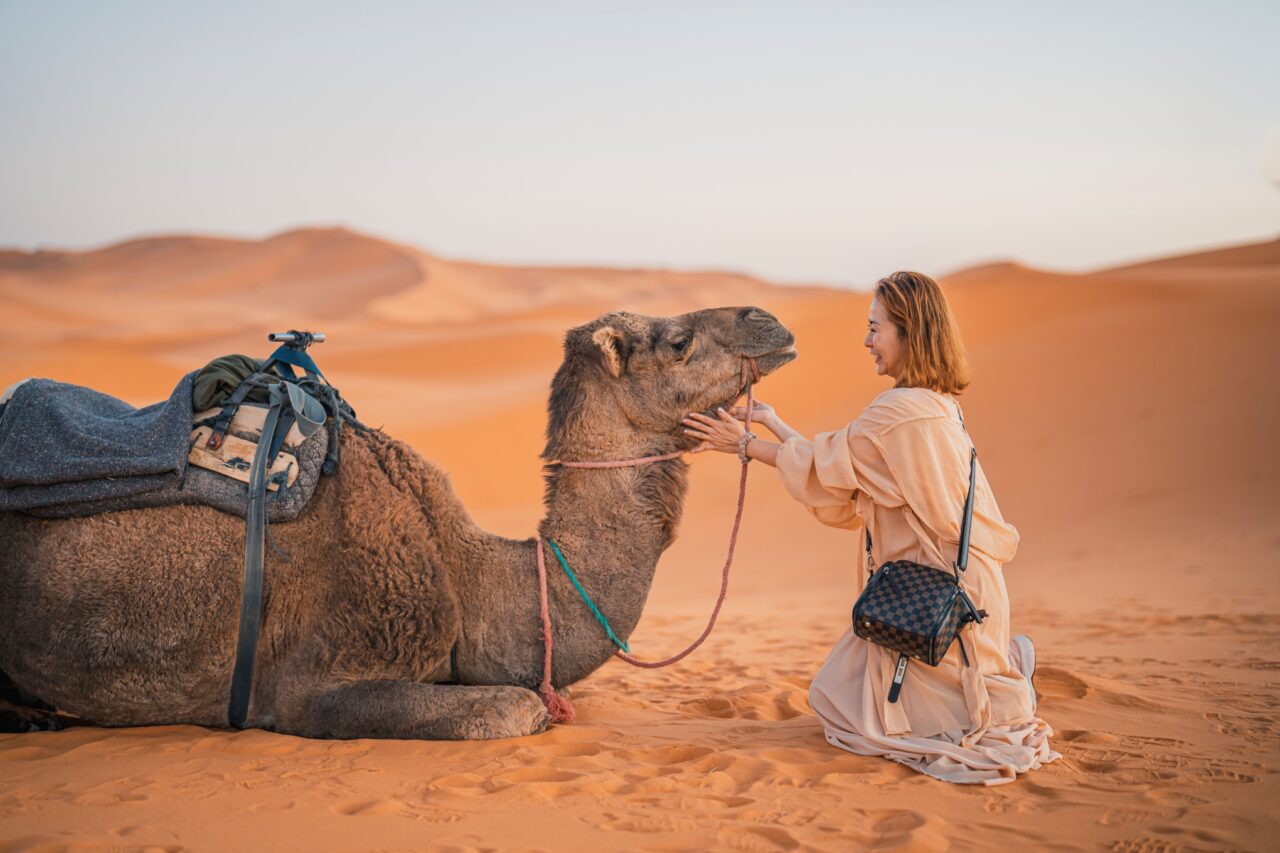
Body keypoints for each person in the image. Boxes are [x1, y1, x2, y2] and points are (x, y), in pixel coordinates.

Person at [683, 271, 1059, 785]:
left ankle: (1007, 682)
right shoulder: (936, 406)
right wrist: (772, 422)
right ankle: (1003, 669)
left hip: (935, 601)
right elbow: (844, 467)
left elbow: (828, 467)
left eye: (875, 328)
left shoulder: (898, 413)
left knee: (856, 719)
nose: (866, 341)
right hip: (964, 592)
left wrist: (745, 445)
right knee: (844, 689)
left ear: (910, 333)